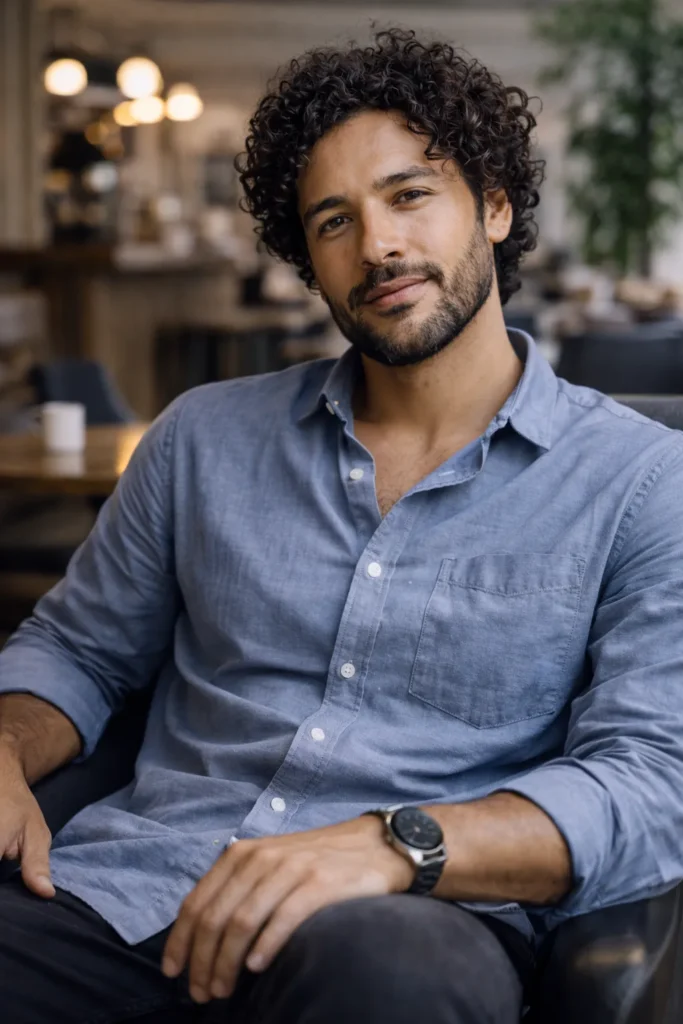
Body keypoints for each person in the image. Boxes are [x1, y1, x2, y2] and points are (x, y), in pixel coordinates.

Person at [1, 27, 683, 1024]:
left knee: (384, 981)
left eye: (409, 196)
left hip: (406, 921)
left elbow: (652, 780)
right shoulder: (199, 438)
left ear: (492, 206)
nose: (377, 247)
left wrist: (391, 842)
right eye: (332, 220)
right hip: (127, 889)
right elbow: (78, 650)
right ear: (306, 262)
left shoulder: (638, 480)